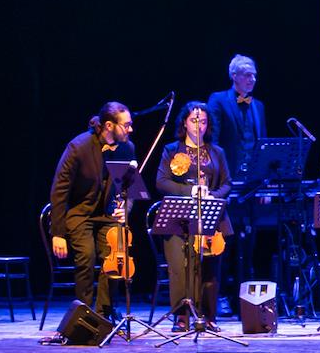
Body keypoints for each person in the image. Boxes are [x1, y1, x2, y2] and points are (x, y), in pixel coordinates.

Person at [49, 102, 137, 319]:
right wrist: (58, 233)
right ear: (109, 125)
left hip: (107, 214)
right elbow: (59, 190)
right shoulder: (79, 147)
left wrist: (125, 209)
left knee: (115, 256)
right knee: (86, 259)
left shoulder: (127, 148)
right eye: (126, 125)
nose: (131, 129)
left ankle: (104, 314)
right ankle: (85, 316)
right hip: (80, 213)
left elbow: (130, 188)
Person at [154, 101, 234, 331]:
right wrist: (190, 191)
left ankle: (208, 316)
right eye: (194, 121)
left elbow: (227, 183)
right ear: (184, 123)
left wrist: (211, 196)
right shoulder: (172, 150)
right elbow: (161, 182)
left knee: (210, 267)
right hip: (179, 217)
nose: (199, 125)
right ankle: (181, 316)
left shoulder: (217, 151)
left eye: (204, 122)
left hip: (210, 214)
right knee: (180, 266)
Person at [207, 54, 266, 180]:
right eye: (248, 75)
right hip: (227, 174)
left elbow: (262, 143)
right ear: (234, 76)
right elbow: (212, 139)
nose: (253, 79)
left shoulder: (258, 105)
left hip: (253, 177)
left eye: (254, 75)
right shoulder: (218, 100)